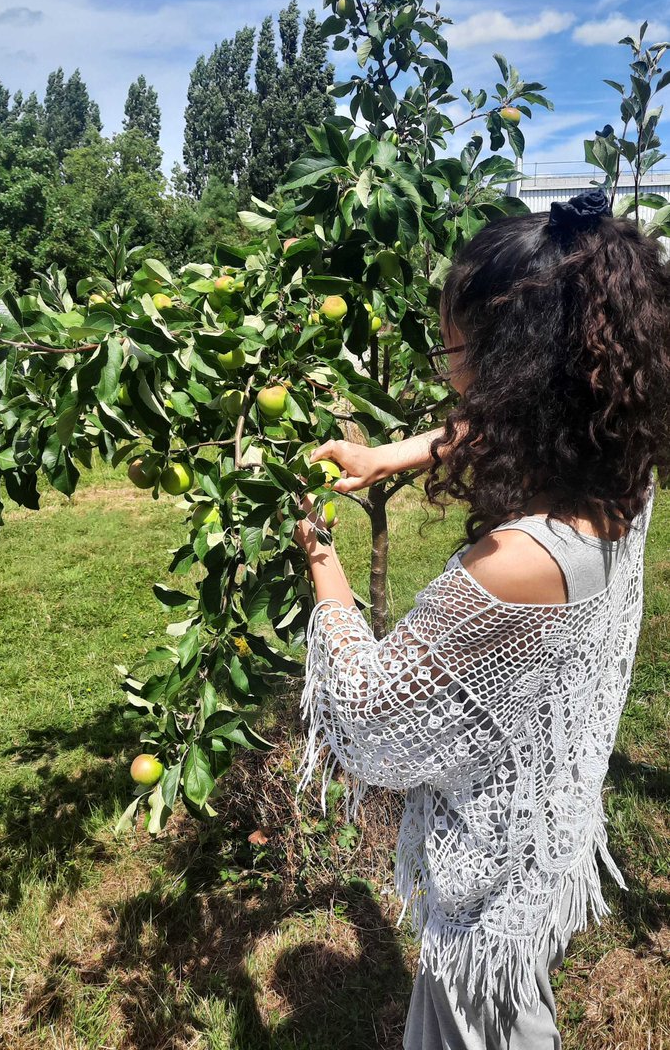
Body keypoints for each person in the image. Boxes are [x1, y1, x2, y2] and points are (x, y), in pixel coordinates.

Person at [292, 189, 670, 1050]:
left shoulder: (516, 565)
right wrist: (391, 454)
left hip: (490, 895)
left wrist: (320, 556)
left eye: (453, 352)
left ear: (513, 368)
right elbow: (507, 419)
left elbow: (371, 718)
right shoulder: (622, 474)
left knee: (488, 1025)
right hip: (549, 840)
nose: (447, 374)